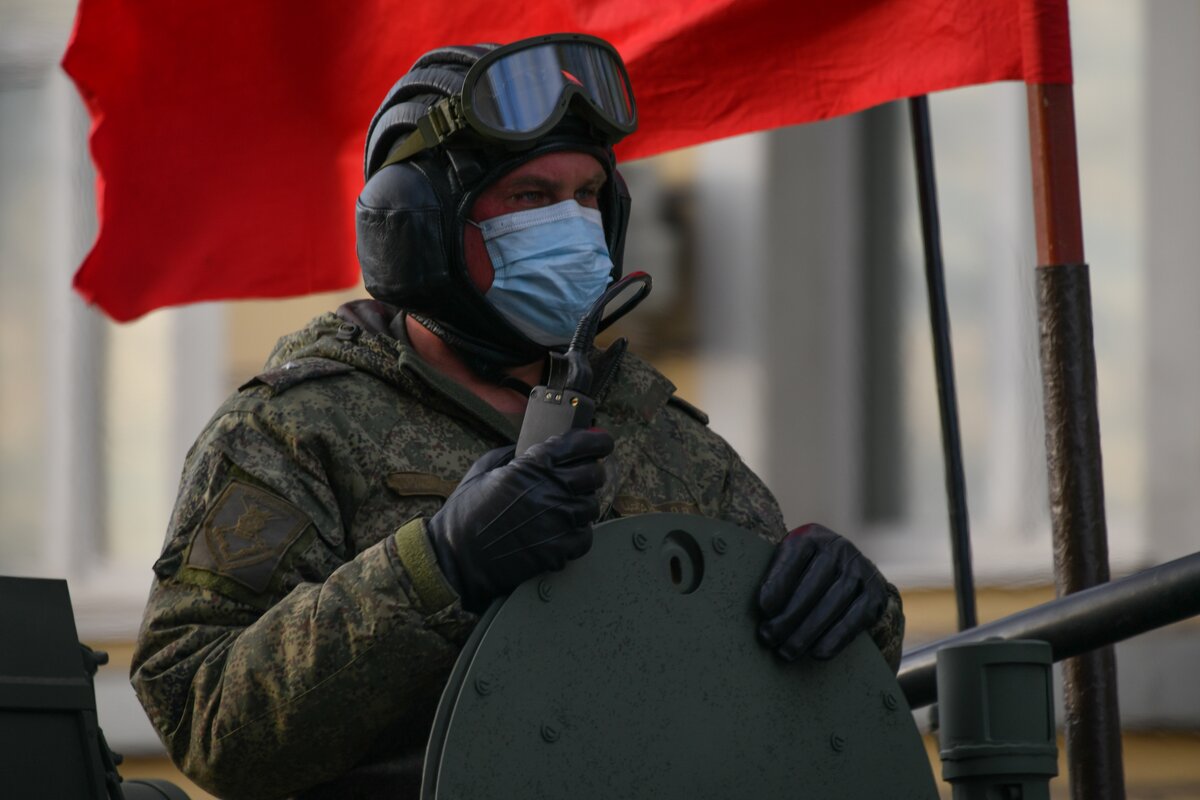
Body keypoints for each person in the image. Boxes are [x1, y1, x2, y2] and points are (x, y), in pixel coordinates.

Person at [130, 33, 904, 799]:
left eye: (588, 195)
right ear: (421, 226)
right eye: (530, 197)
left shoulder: (660, 434)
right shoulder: (296, 428)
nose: (572, 224)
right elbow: (202, 711)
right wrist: (439, 567)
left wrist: (856, 609)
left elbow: (797, 693)